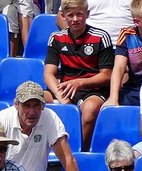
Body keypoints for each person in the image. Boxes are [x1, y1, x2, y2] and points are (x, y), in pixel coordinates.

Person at [0, 81, 84, 171]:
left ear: (43, 106)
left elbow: (68, 158)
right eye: (26, 105)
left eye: (36, 105)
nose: (32, 112)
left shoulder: (50, 118)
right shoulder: (1, 120)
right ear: (16, 104)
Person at [44, 0, 115, 151]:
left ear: (87, 14)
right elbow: (49, 73)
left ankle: (78, 151)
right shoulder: (56, 38)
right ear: (63, 16)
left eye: (79, 14)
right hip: (65, 89)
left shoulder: (101, 37)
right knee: (37, 99)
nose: (75, 19)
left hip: (92, 89)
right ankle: (44, 149)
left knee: (89, 109)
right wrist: (60, 95)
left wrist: (80, 83)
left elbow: (107, 76)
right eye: (71, 15)